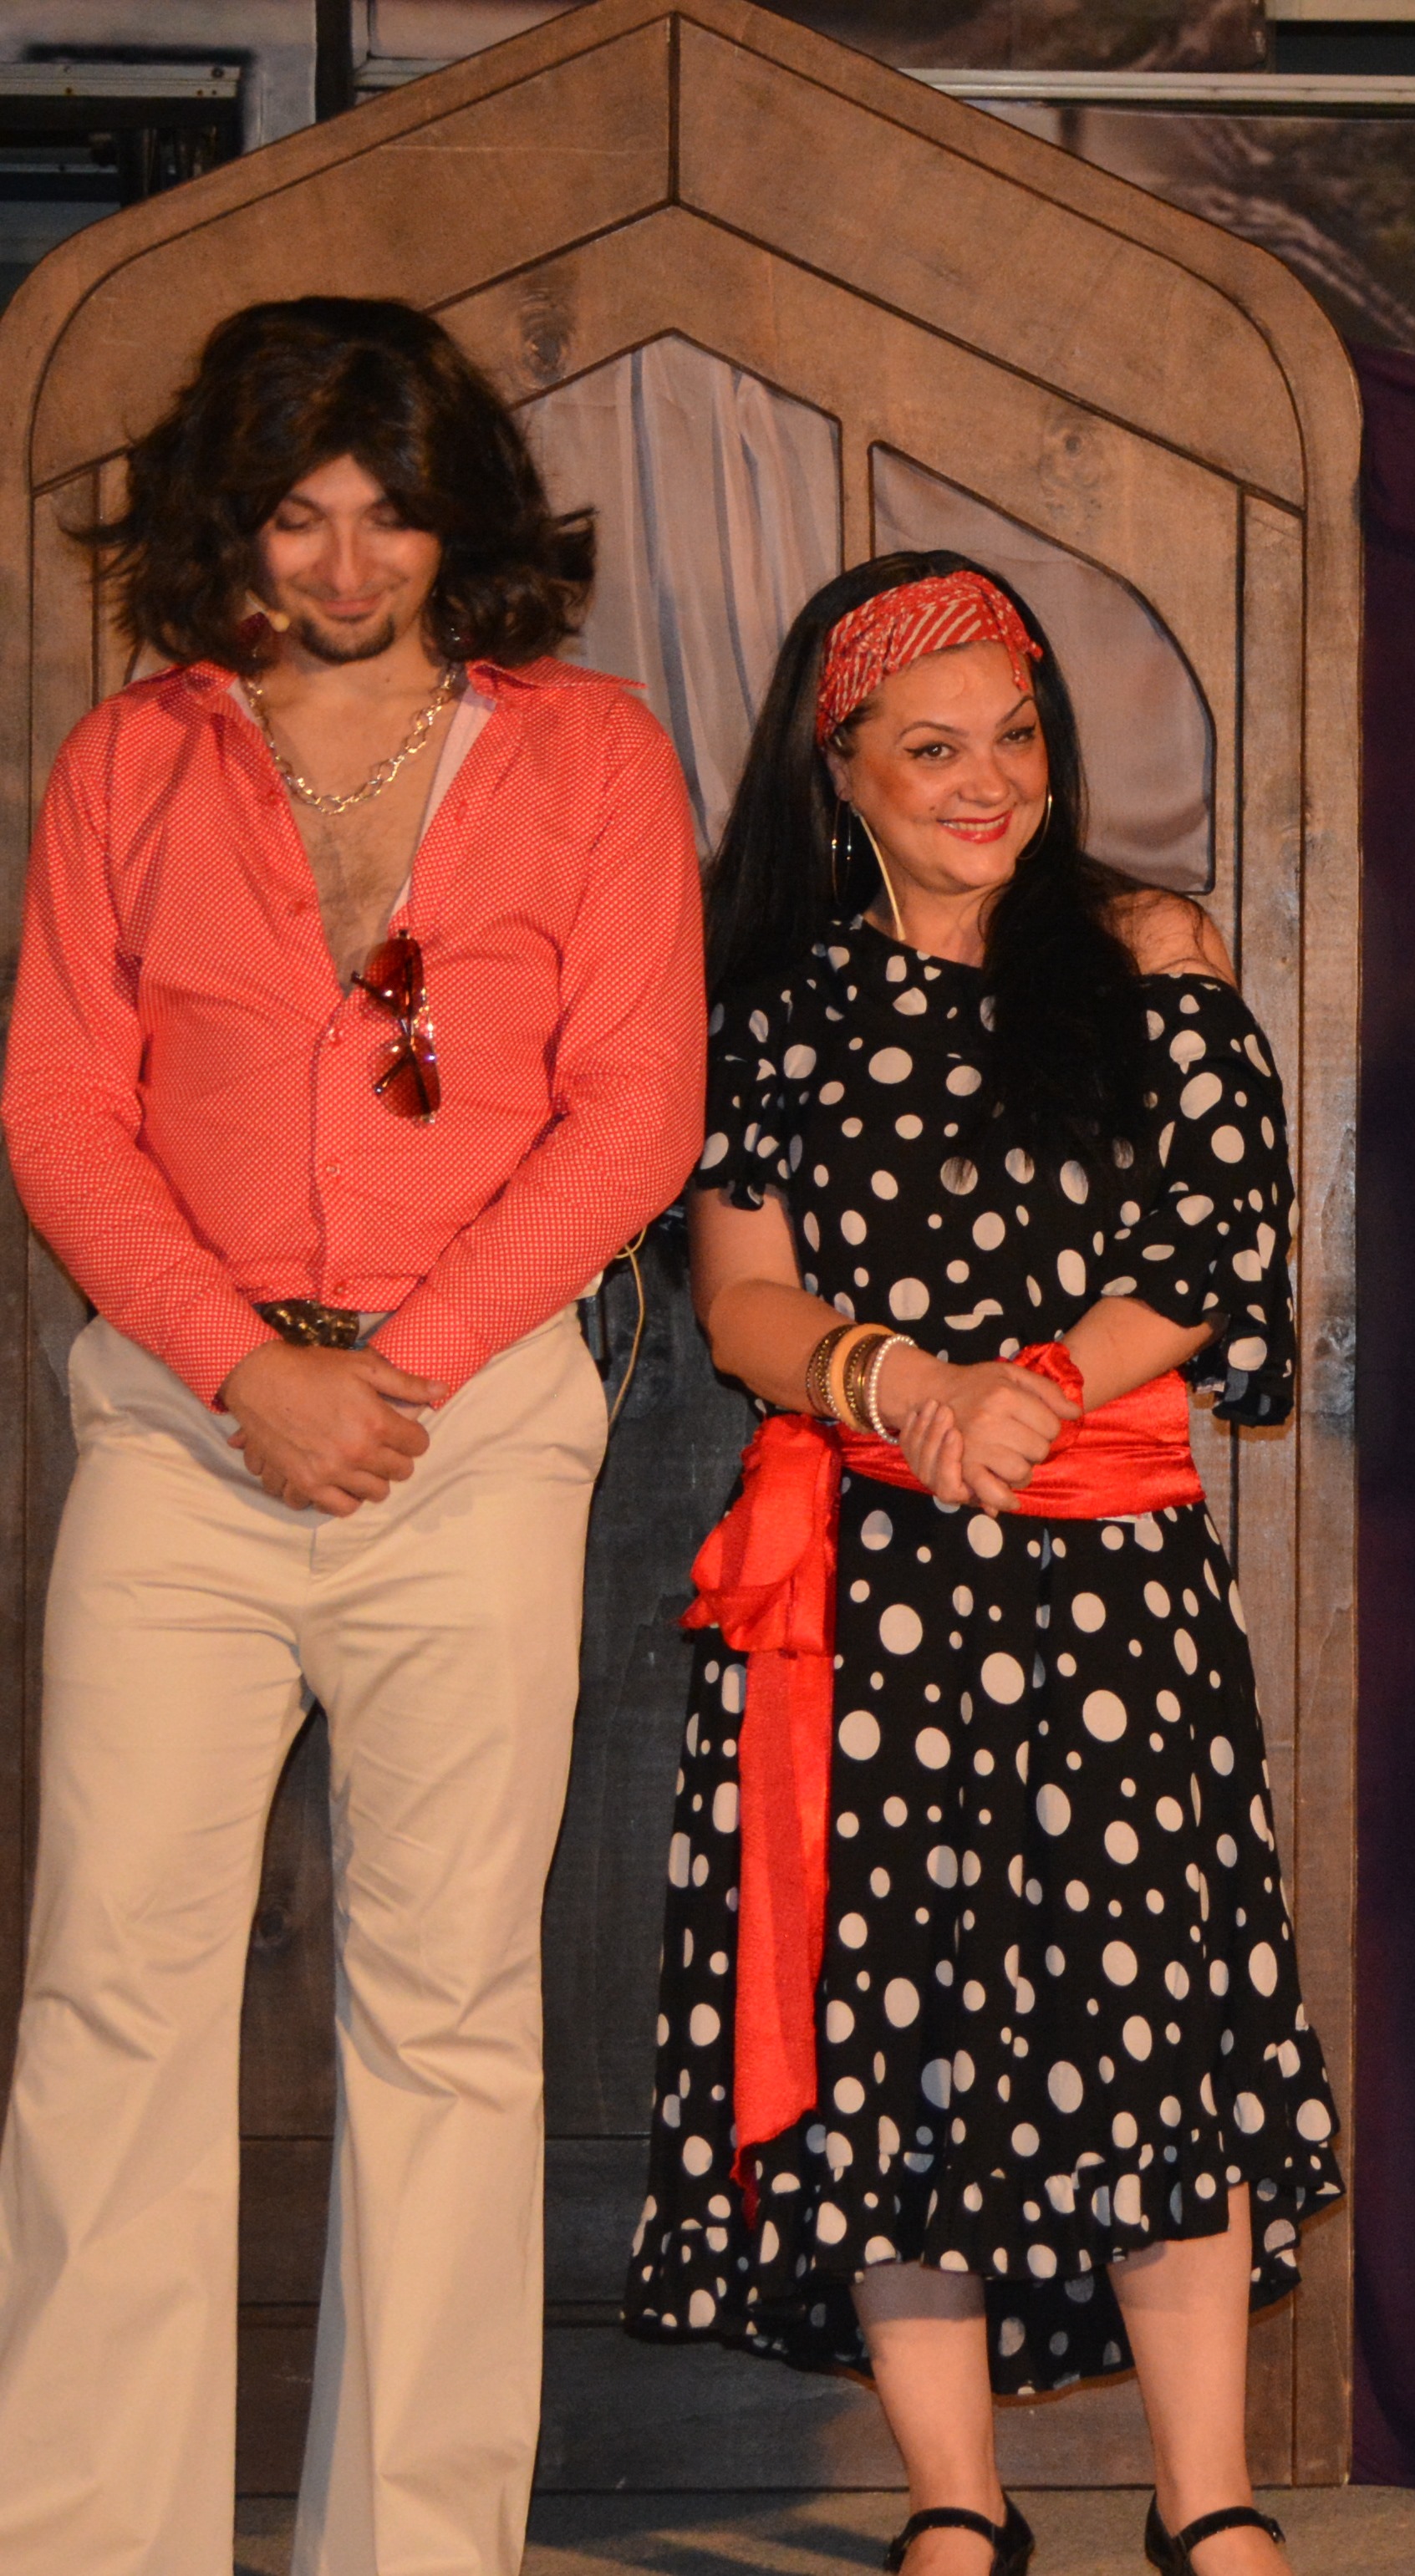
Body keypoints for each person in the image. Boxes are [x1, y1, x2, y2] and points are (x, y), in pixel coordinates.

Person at [0, 295, 704, 2576]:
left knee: (447, 2013)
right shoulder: (132, 760)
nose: (340, 564)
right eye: (296, 516)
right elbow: (61, 1110)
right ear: (231, 519)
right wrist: (243, 1364)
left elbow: (636, 1111)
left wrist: (414, 1353)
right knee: (111, 1994)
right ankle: (85, 2542)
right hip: (182, 1428)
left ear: (454, 514)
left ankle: (411, 2551)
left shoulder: (588, 754)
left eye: (386, 513)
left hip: (470, 1429)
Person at [624, 556, 1342, 2576]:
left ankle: (1206, 2497)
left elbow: (1218, 1239)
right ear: (836, 765)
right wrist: (901, 1381)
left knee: (1158, 2020)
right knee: (891, 2031)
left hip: (1111, 1575)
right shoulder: (773, 1003)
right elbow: (739, 1296)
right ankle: (956, 2495)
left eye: (1014, 736)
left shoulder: (1144, 946)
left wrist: (1026, 1387)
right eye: (932, 746)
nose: (988, 779)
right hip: (861, 1593)